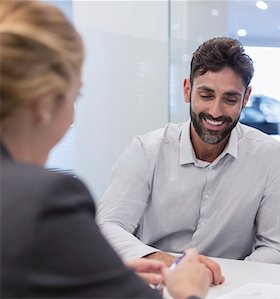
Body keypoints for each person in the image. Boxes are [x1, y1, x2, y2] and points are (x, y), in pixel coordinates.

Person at [0, 1, 210, 298]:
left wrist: (99, 276)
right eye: (77, 94)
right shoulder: (44, 200)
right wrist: (189, 290)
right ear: (46, 103)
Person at [97, 36, 280, 275]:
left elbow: (276, 247)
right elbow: (107, 224)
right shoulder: (147, 150)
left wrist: (222, 277)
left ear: (245, 99)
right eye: (206, 95)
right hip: (159, 279)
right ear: (187, 90)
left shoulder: (269, 155)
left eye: (230, 99)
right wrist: (165, 262)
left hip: (232, 285)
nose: (216, 111)